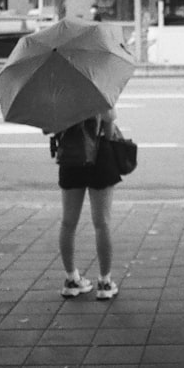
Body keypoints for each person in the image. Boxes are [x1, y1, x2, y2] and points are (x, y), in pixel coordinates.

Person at [54, 109, 120, 300]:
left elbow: (49, 130)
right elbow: (109, 133)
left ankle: (71, 279)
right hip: (100, 159)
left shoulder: (60, 94)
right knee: (102, 223)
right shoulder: (100, 90)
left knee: (68, 222)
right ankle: (105, 283)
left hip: (70, 159)